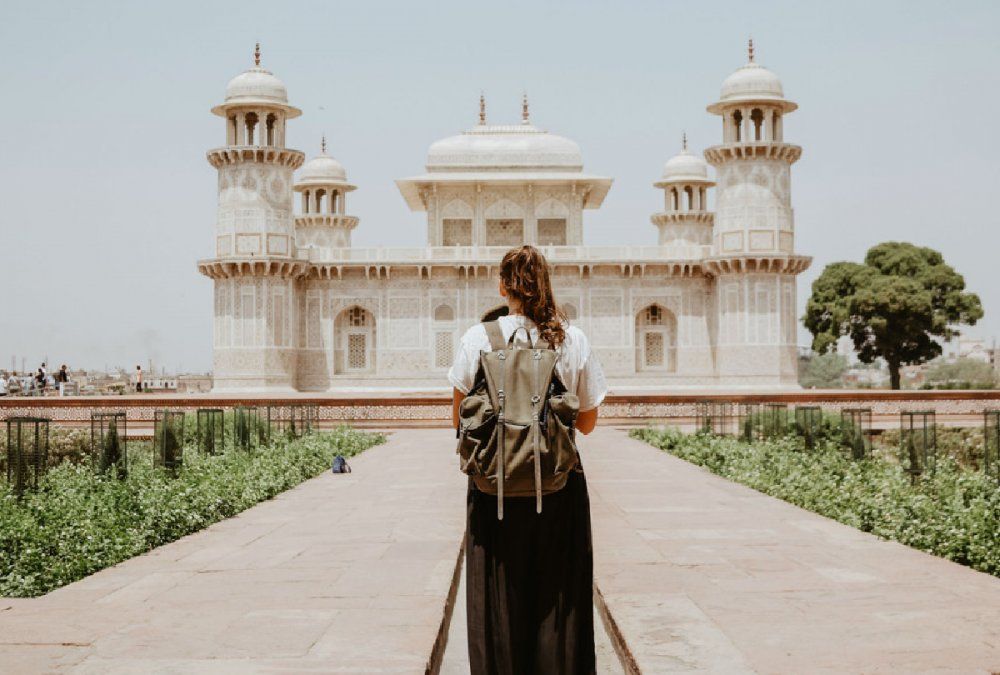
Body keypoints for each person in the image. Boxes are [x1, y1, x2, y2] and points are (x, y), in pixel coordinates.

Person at [448, 245, 608, 674]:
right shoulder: (571, 339)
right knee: (559, 601)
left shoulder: (477, 337)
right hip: (558, 487)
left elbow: (458, 419)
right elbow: (588, 423)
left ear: (502, 286)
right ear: (546, 284)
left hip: (493, 490)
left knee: (497, 602)